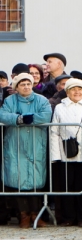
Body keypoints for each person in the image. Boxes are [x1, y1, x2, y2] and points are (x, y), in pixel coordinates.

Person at [0, 73, 52, 227]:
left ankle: (36, 214)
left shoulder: (41, 100)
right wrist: (20, 119)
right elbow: (3, 115)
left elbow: (46, 115)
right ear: (16, 87)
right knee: (19, 179)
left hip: (36, 143)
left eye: (28, 84)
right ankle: (23, 214)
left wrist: (29, 118)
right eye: (22, 85)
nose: (26, 87)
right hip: (16, 144)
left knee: (36, 179)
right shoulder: (10, 100)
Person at [49, 78, 82, 226]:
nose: (77, 92)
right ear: (67, 91)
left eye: (79, 89)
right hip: (66, 153)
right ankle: (68, 217)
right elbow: (54, 132)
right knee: (67, 186)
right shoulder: (60, 107)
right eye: (73, 89)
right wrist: (56, 155)